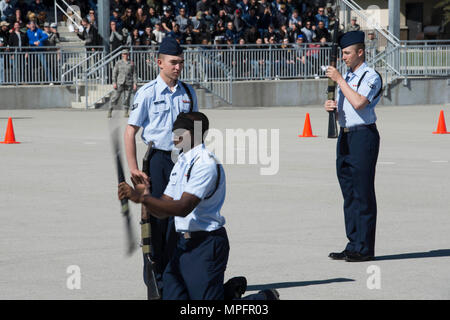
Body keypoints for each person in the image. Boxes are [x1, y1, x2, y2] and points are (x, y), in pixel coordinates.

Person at [118, 111, 280, 300]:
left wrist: (142, 199)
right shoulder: (180, 163)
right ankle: (228, 292)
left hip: (206, 244)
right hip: (182, 245)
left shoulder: (205, 164)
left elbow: (183, 207)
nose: (174, 134)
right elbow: (164, 208)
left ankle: (263, 299)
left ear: (194, 133)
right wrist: (145, 196)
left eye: (180, 130)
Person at [124, 37, 198, 296]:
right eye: (173, 62)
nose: (178, 67)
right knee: (156, 220)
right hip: (157, 160)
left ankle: (173, 273)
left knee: (180, 219)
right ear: (160, 63)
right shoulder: (147, 93)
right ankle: (155, 277)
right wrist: (134, 169)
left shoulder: (188, 92)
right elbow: (130, 131)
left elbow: (195, 132)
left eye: (181, 62)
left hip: (182, 160)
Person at [324, 31, 382, 262]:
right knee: (349, 193)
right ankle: (353, 243)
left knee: (363, 192)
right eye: (343, 53)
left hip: (363, 137)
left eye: (347, 53)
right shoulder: (346, 77)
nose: (344, 57)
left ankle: (365, 248)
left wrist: (338, 80)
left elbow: (358, 103)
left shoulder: (370, 76)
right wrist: (332, 107)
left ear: (360, 52)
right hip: (345, 136)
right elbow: (346, 108)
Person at [108, 49, 137, 118]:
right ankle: (110, 110)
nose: (125, 55)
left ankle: (126, 112)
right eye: (124, 54)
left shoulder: (131, 63)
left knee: (127, 98)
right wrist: (114, 82)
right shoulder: (118, 63)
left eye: (126, 54)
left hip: (128, 82)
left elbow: (134, 74)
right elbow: (115, 73)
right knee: (115, 97)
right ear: (122, 55)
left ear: (128, 55)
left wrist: (135, 83)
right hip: (120, 82)